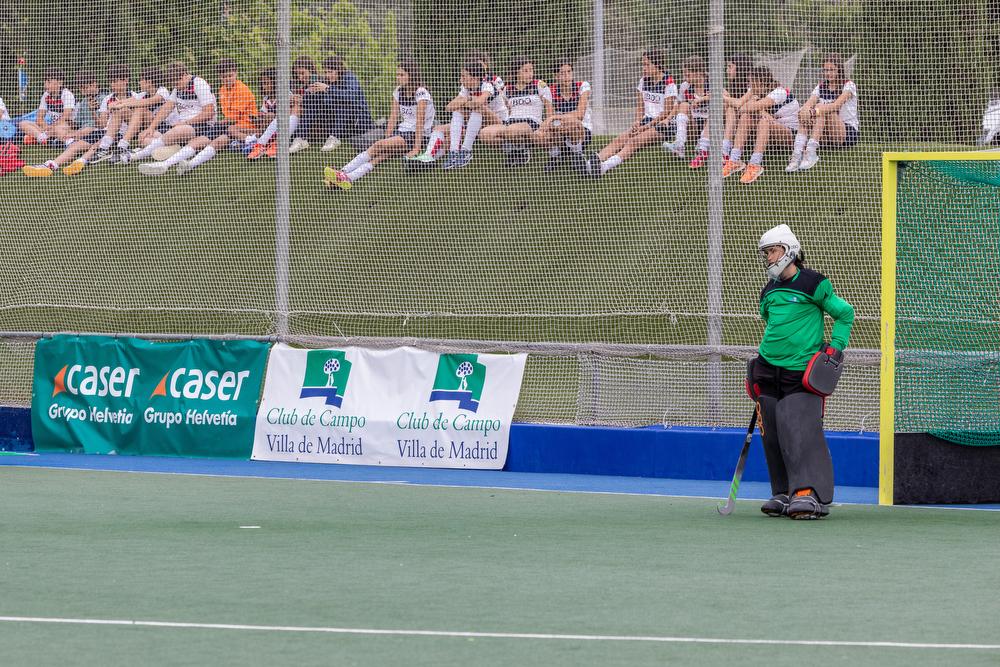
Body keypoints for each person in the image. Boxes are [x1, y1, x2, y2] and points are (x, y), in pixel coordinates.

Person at [747, 224, 854, 520]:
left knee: (798, 428)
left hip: (800, 373)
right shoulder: (769, 290)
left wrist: (834, 349)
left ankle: (809, 492)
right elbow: (771, 324)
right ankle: (783, 491)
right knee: (773, 432)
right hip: (768, 371)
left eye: (772, 251)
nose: (768, 257)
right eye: (765, 253)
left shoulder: (814, 283)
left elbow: (845, 313)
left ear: (790, 251)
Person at [324, 59, 433, 190]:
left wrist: (416, 148)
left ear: (412, 75)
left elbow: (420, 122)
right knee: (380, 155)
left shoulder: (421, 92)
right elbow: (393, 117)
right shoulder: (398, 91)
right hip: (402, 132)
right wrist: (387, 138)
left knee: (377, 145)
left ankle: (342, 172)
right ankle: (348, 178)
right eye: (397, 74)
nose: (398, 78)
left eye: (402, 75)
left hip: (418, 135)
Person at [585, 49, 676, 178]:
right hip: (645, 122)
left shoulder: (669, 83)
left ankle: (605, 167)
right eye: (642, 64)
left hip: (662, 125)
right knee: (620, 139)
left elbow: (666, 112)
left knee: (634, 141)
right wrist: (637, 122)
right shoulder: (643, 81)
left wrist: (645, 127)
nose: (643, 68)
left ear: (657, 65)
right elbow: (640, 108)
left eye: (647, 64)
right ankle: (591, 164)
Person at [121, 61, 218, 172]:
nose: (176, 87)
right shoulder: (177, 89)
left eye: (177, 83)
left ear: (185, 75)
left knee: (178, 131)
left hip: (200, 125)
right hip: (180, 126)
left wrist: (185, 123)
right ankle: (176, 148)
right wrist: (151, 128)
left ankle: (138, 155)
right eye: (173, 84)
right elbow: (166, 108)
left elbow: (209, 113)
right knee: (143, 138)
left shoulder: (199, 83)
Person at [419, 55, 508, 169]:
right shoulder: (466, 87)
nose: (460, 80)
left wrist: (466, 101)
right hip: (477, 122)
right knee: (439, 128)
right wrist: (466, 100)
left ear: (473, 78)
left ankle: (466, 150)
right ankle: (440, 155)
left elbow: (479, 103)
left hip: (497, 121)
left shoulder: (487, 85)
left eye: (463, 76)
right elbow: (449, 107)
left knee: (477, 109)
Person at [722, 65, 800, 184]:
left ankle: (755, 164)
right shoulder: (755, 90)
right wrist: (720, 96)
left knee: (763, 120)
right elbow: (739, 105)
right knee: (746, 117)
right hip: (770, 130)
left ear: (763, 83)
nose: (751, 86)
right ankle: (734, 160)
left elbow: (746, 107)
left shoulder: (779, 92)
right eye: (750, 82)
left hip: (789, 134)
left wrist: (753, 104)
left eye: (754, 83)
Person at [788, 53, 859, 172]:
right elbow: (808, 103)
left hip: (845, 133)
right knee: (805, 112)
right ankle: (797, 155)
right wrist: (804, 111)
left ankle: (811, 153)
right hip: (826, 133)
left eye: (832, 70)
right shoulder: (820, 87)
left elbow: (835, 105)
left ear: (839, 69)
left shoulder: (848, 85)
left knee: (822, 109)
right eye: (826, 70)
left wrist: (813, 111)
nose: (828, 73)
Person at [477, 56, 552, 167]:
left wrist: (546, 126)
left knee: (511, 131)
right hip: (510, 123)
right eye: (525, 70)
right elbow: (506, 108)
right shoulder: (508, 89)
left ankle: (522, 150)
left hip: (530, 123)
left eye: (531, 70)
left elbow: (549, 108)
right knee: (484, 134)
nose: (530, 73)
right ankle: (513, 150)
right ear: (516, 72)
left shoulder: (539, 85)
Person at [309, 55, 377, 152]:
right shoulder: (327, 81)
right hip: (339, 123)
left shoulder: (349, 77)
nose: (328, 75)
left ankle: (335, 138)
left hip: (358, 123)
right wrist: (315, 93)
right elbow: (327, 104)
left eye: (331, 72)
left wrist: (327, 89)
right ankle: (302, 138)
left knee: (344, 104)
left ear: (339, 70)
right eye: (326, 72)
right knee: (314, 103)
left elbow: (350, 97)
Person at [535, 60, 592, 173]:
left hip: (581, 132)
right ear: (556, 76)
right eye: (562, 73)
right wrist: (555, 119)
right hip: (559, 132)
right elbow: (549, 117)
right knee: (542, 134)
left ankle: (577, 154)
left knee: (573, 125)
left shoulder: (582, 86)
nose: (567, 76)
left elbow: (580, 115)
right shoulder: (550, 91)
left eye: (569, 72)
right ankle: (554, 155)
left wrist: (557, 118)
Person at [247, 67, 303, 160]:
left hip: (285, 126)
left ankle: (275, 143)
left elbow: (290, 110)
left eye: (267, 83)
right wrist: (258, 117)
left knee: (274, 115)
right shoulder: (266, 99)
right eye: (263, 84)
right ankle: (261, 144)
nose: (264, 86)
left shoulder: (286, 95)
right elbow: (262, 112)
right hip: (270, 126)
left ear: (275, 83)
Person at [663, 56, 708, 161]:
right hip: (694, 125)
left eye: (687, 74)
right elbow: (677, 105)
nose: (684, 77)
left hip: (710, 125)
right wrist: (668, 118)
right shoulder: (685, 86)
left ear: (699, 73)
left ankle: (703, 144)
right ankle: (680, 145)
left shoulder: (711, 84)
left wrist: (703, 99)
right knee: (684, 105)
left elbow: (725, 96)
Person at [18, 68, 76, 146]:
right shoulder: (46, 95)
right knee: (23, 123)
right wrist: (47, 127)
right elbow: (39, 118)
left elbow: (65, 117)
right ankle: (45, 139)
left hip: (66, 127)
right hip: (49, 128)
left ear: (60, 83)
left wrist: (51, 128)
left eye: (49, 82)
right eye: (45, 82)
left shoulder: (67, 94)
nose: (45, 85)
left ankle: (60, 141)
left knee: (59, 128)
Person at [289, 56, 322, 153]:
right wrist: (292, 98)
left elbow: (315, 101)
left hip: (319, 117)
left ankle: (299, 138)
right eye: (297, 74)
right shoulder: (297, 83)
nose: (300, 77)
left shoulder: (317, 81)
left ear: (311, 70)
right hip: (304, 114)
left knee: (308, 105)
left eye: (302, 73)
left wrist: (301, 99)